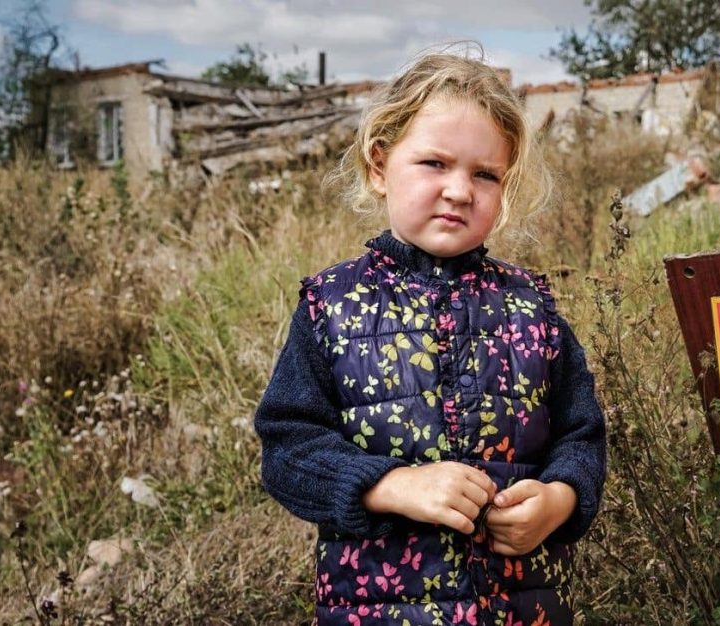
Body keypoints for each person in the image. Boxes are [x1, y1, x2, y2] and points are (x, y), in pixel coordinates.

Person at [255, 50, 607, 626]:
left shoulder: (533, 307)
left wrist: (560, 500)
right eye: (434, 163)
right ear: (379, 166)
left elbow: (582, 434)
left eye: (485, 174)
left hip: (523, 609)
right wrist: (390, 486)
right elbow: (287, 450)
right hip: (377, 611)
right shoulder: (331, 307)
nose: (460, 190)